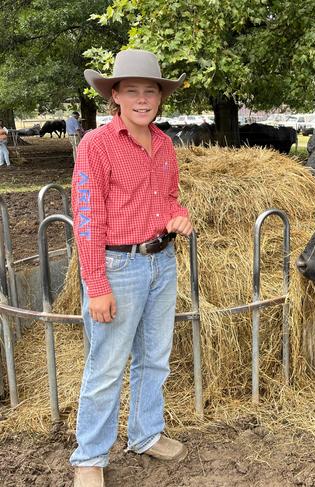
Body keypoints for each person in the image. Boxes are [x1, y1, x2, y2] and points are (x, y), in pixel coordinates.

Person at [70, 49, 192, 487]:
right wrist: (96, 283)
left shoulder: (163, 144)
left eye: (151, 91)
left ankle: (145, 434)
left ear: (160, 97)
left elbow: (168, 198)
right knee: (106, 365)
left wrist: (179, 216)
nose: (143, 99)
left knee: (155, 359)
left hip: (163, 261)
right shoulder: (95, 146)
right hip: (118, 265)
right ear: (115, 96)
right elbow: (86, 219)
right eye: (133, 91)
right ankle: (90, 456)